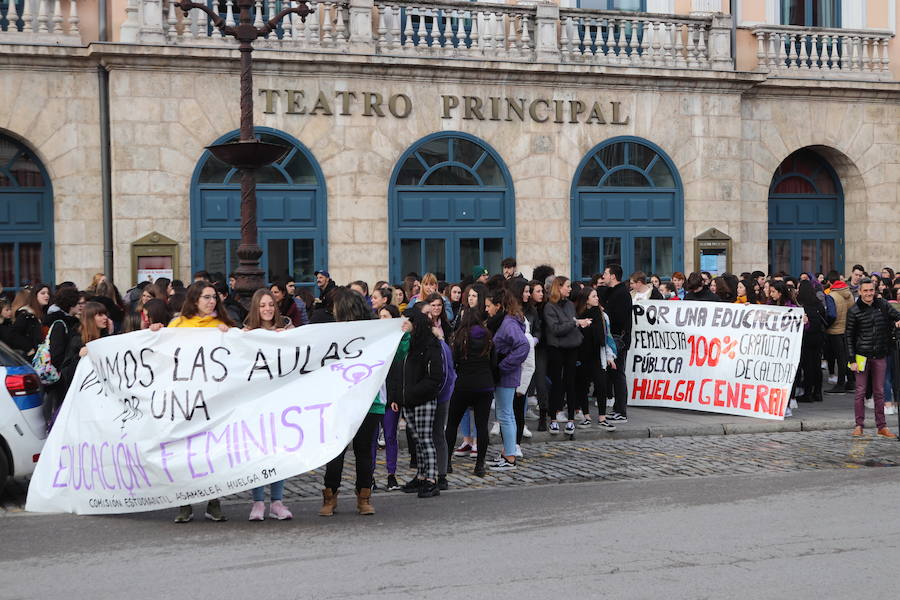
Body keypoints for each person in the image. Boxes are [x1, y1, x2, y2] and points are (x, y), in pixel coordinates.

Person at [165, 281, 234, 522]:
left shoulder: (220, 326)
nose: (211, 301)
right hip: (185, 400)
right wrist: (154, 332)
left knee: (212, 453)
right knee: (184, 453)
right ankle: (184, 504)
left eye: (214, 297)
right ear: (195, 300)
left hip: (213, 401)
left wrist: (232, 336)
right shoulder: (178, 326)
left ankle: (213, 502)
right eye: (206, 297)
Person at [240, 289, 294, 521]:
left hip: (279, 401)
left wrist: (289, 337)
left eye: (271, 304)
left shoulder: (287, 329)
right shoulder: (246, 333)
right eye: (262, 305)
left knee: (277, 452)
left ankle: (277, 502)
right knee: (258, 452)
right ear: (256, 307)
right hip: (256, 402)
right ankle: (258, 502)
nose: (267, 309)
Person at [845, 278, 900, 438]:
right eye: (866, 290)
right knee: (860, 392)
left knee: (880, 391)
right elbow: (848, 337)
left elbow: (896, 315)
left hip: (880, 354)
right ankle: (859, 425)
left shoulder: (882, 305)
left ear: (874, 291)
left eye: (871, 290)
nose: (869, 293)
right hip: (861, 355)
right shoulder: (854, 310)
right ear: (860, 292)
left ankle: (881, 426)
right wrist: (851, 360)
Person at [445, 303, 494, 476]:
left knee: (452, 424)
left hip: (464, 384)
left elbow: (453, 362)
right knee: (482, 426)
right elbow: (493, 362)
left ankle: (447, 463)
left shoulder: (458, 337)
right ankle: (479, 465)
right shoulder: (488, 336)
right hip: (484, 384)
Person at [399, 309, 444, 498]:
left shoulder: (431, 345)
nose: (402, 325)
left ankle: (431, 479)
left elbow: (434, 377)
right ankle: (421, 475)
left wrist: (414, 392)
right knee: (417, 441)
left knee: (425, 439)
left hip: (423, 398)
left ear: (414, 323)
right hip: (409, 399)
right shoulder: (411, 343)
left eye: (405, 322)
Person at [483, 288, 529, 470]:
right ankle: (507, 452)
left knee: (505, 414)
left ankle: (510, 456)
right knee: (505, 413)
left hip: (506, 375)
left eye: (488, 306)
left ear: (498, 306)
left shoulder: (508, 323)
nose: (487, 310)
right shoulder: (505, 321)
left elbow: (523, 346)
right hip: (505, 374)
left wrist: (503, 366)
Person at [544, 276, 590, 435]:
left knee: (571, 382)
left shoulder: (570, 305)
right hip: (556, 348)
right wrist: (575, 323)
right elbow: (556, 329)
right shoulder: (549, 306)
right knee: (556, 383)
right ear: (559, 287)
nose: (570, 289)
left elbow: (567, 325)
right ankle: (554, 419)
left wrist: (576, 323)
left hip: (572, 347)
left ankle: (570, 419)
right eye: (568, 286)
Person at [574, 287, 616, 431]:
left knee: (601, 385)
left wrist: (609, 356)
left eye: (597, 296)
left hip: (597, 355)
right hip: (582, 355)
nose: (597, 298)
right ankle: (586, 416)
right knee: (583, 386)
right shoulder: (579, 314)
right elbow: (578, 333)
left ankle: (602, 417)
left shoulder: (601, 314)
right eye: (594, 296)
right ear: (586, 299)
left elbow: (605, 337)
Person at [374, 303, 405, 491]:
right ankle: (369, 476)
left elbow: (399, 372)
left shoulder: (397, 340)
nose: (382, 320)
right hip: (375, 397)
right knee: (371, 439)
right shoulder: (374, 339)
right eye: (380, 316)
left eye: (385, 316)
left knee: (390, 436)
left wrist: (395, 398)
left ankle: (391, 474)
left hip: (390, 397)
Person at [41, 287, 82, 426]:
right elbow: (56, 354)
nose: (81, 306)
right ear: (71, 304)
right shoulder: (60, 323)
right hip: (60, 379)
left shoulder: (71, 321)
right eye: (78, 303)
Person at [601, 265, 632, 423]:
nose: (603, 276)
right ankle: (617, 409)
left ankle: (621, 411)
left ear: (613, 276)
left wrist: (604, 312)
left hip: (618, 339)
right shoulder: (611, 292)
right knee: (613, 375)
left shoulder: (622, 294)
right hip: (613, 338)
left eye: (606, 273)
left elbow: (618, 319)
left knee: (618, 374)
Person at [796, 280, 826, 403]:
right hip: (818, 337)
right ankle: (818, 392)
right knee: (817, 365)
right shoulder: (818, 303)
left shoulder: (801, 305)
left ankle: (807, 393)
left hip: (807, 337)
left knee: (807, 366)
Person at [8, 288, 46, 358]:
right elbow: (14, 334)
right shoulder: (25, 314)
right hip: (28, 353)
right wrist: (29, 349)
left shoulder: (20, 313)